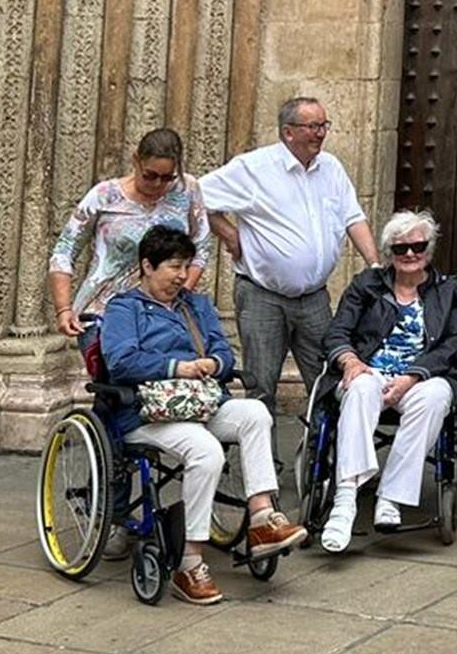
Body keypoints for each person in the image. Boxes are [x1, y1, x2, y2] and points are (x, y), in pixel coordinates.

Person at [97, 225, 306, 603]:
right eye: (173, 267)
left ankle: (261, 518)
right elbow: (121, 361)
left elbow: (225, 354)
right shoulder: (123, 308)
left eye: (185, 266)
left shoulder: (196, 306)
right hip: (148, 413)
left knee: (255, 413)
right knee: (205, 449)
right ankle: (189, 562)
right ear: (147, 265)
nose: (181, 275)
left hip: (199, 402)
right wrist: (178, 367)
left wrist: (213, 363)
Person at [198, 96, 380, 432]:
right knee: (261, 385)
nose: (321, 134)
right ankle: (263, 473)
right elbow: (196, 196)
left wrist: (374, 264)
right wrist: (229, 234)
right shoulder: (253, 168)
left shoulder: (332, 168)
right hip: (262, 295)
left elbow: (354, 217)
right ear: (288, 132)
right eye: (312, 126)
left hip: (314, 298)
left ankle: (326, 467)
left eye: (324, 125)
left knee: (329, 380)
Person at [316, 209, 457, 550]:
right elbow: (337, 332)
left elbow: (455, 343)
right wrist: (350, 360)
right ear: (389, 252)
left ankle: (391, 496)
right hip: (371, 371)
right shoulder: (366, 286)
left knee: (433, 397)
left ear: (429, 249)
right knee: (359, 387)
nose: (410, 254)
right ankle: (345, 500)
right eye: (400, 248)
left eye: (417, 246)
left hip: (422, 378)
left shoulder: (450, 292)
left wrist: (413, 376)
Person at [47, 127, 210, 338]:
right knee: (121, 366)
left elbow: (201, 247)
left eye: (167, 177)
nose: (158, 184)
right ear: (136, 161)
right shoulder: (104, 195)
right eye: (150, 175)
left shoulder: (187, 189)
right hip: (105, 309)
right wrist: (63, 308)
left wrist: (181, 292)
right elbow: (65, 249)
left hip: (164, 312)